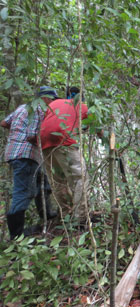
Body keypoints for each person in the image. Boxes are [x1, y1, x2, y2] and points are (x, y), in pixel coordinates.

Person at [1, 86, 59, 239]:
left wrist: (16, 133)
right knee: (23, 193)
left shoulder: (22, 108)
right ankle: (16, 235)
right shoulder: (39, 109)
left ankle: (47, 215)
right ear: (45, 98)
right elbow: (32, 135)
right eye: (52, 100)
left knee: (43, 184)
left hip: (17, 153)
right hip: (25, 155)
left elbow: (4, 123)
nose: (52, 104)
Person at [39, 86, 89, 225]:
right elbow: (94, 123)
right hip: (63, 139)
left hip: (44, 142)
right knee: (80, 178)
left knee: (58, 180)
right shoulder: (80, 105)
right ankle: (80, 217)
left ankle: (66, 214)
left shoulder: (54, 103)